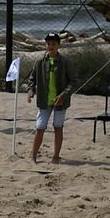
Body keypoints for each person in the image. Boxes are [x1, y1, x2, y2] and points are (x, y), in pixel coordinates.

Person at [28, 33, 74, 163]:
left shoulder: (65, 62)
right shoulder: (39, 62)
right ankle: (33, 156)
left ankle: (56, 156)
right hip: (44, 100)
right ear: (45, 45)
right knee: (40, 127)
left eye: (54, 44)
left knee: (58, 126)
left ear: (59, 45)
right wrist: (31, 90)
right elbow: (32, 79)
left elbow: (73, 81)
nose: (51, 46)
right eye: (48, 44)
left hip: (60, 102)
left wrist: (63, 95)